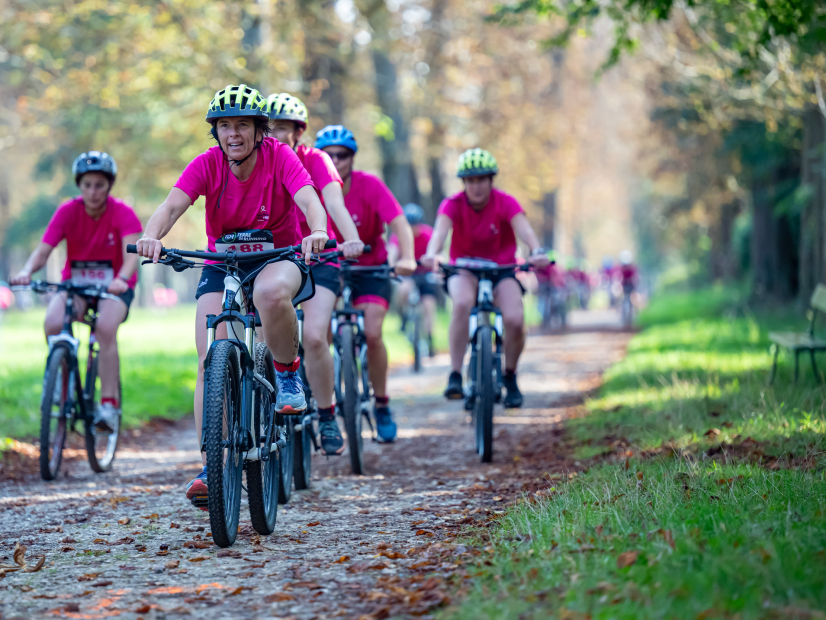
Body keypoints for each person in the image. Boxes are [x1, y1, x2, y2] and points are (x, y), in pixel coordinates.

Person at [135, 85, 329, 508]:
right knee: (210, 357)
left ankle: (288, 371)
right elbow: (171, 207)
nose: (233, 134)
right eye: (225, 126)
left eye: (242, 124)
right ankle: (212, 463)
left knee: (270, 292)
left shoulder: (281, 156)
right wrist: (151, 236)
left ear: (260, 130)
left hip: (277, 256)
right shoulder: (207, 165)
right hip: (222, 264)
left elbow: (310, 200)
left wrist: (317, 231)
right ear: (216, 132)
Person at [10, 151, 142, 431]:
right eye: (87, 185)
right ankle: (61, 385)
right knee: (53, 322)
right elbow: (43, 251)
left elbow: (132, 254)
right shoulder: (67, 211)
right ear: (79, 185)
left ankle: (107, 405)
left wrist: (121, 278)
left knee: (105, 328)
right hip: (77, 285)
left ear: (110, 186)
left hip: (114, 286)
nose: (93, 192)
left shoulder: (123, 213)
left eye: (99, 185)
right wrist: (25, 272)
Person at [267, 92, 364, 456]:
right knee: (265, 338)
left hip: (319, 256)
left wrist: (350, 239)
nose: (275, 134)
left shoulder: (316, 160)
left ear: (299, 131)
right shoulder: (257, 160)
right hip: (274, 258)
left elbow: (333, 202)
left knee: (314, 336)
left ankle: (327, 414)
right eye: (270, 126)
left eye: (284, 128)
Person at [421, 148, 549, 408]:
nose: (476, 186)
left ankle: (510, 375)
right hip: (464, 269)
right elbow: (439, 234)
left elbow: (525, 230)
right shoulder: (452, 204)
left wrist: (536, 251)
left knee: (514, 318)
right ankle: (455, 374)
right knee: (461, 303)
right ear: (463, 183)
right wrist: (432, 255)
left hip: (502, 269)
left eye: (481, 180)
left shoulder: (506, 202)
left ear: (491, 180)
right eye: (470, 180)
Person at [315, 125, 417, 443]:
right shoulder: (309, 187)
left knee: (372, 333)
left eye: (342, 155)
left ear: (352, 158)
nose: (335, 161)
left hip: (370, 269)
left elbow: (398, 222)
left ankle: (382, 404)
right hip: (326, 268)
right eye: (328, 155)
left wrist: (409, 257)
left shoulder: (370, 185)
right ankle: (320, 404)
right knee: (318, 334)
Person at [389, 203, 438, 353]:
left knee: (429, 305)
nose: (412, 228)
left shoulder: (428, 234)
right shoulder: (398, 236)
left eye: (415, 224)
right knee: (403, 289)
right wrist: (392, 268)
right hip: (408, 273)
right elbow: (392, 252)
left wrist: (436, 269)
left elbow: (436, 252)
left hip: (425, 274)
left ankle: (430, 338)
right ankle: (403, 317)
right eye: (409, 224)